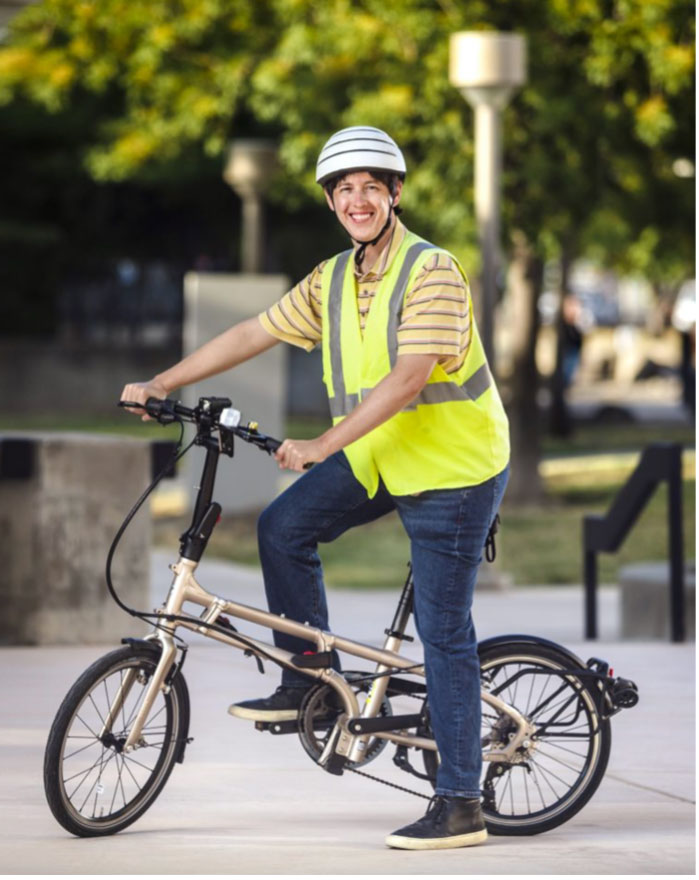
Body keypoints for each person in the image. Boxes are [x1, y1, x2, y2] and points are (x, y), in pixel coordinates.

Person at [121, 126, 510, 851]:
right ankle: (310, 679)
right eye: (343, 190)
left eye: (371, 186)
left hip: (454, 470)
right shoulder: (333, 278)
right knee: (282, 528)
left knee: (442, 631)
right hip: (380, 458)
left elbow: (408, 377)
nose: (356, 200)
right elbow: (251, 332)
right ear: (331, 203)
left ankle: (460, 802)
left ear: (394, 193)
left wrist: (322, 445)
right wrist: (161, 382)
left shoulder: (432, 271)